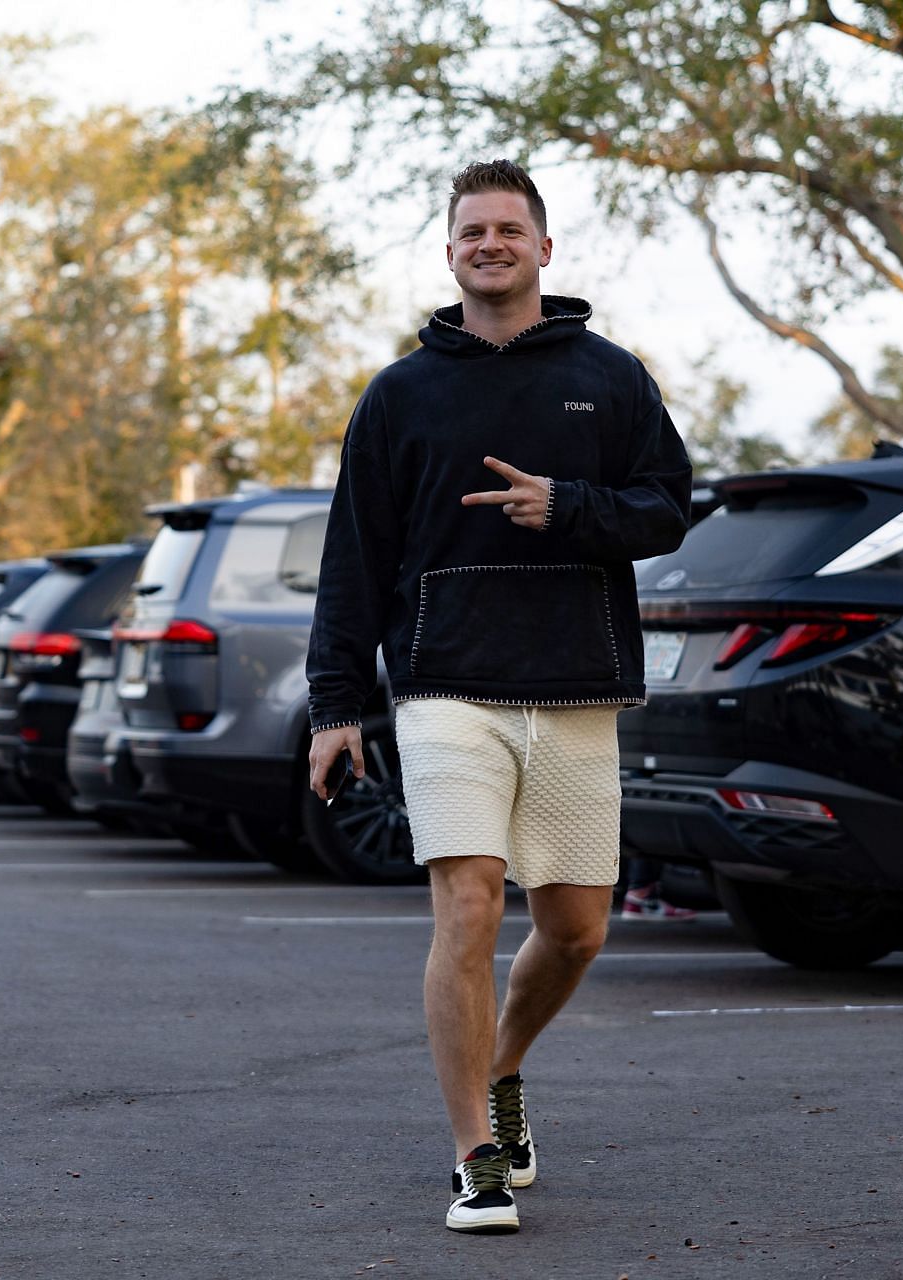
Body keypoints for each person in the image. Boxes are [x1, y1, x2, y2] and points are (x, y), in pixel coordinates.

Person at [305, 158, 691, 1234]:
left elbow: (667, 508)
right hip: (444, 684)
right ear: (450, 252)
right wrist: (337, 702)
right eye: (472, 230)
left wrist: (567, 504)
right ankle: (474, 1150)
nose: (490, 244)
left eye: (508, 229)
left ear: (543, 247)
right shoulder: (399, 394)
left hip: (574, 683)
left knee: (574, 932)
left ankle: (506, 1067)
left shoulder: (610, 378)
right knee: (467, 902)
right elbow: (354, 558)